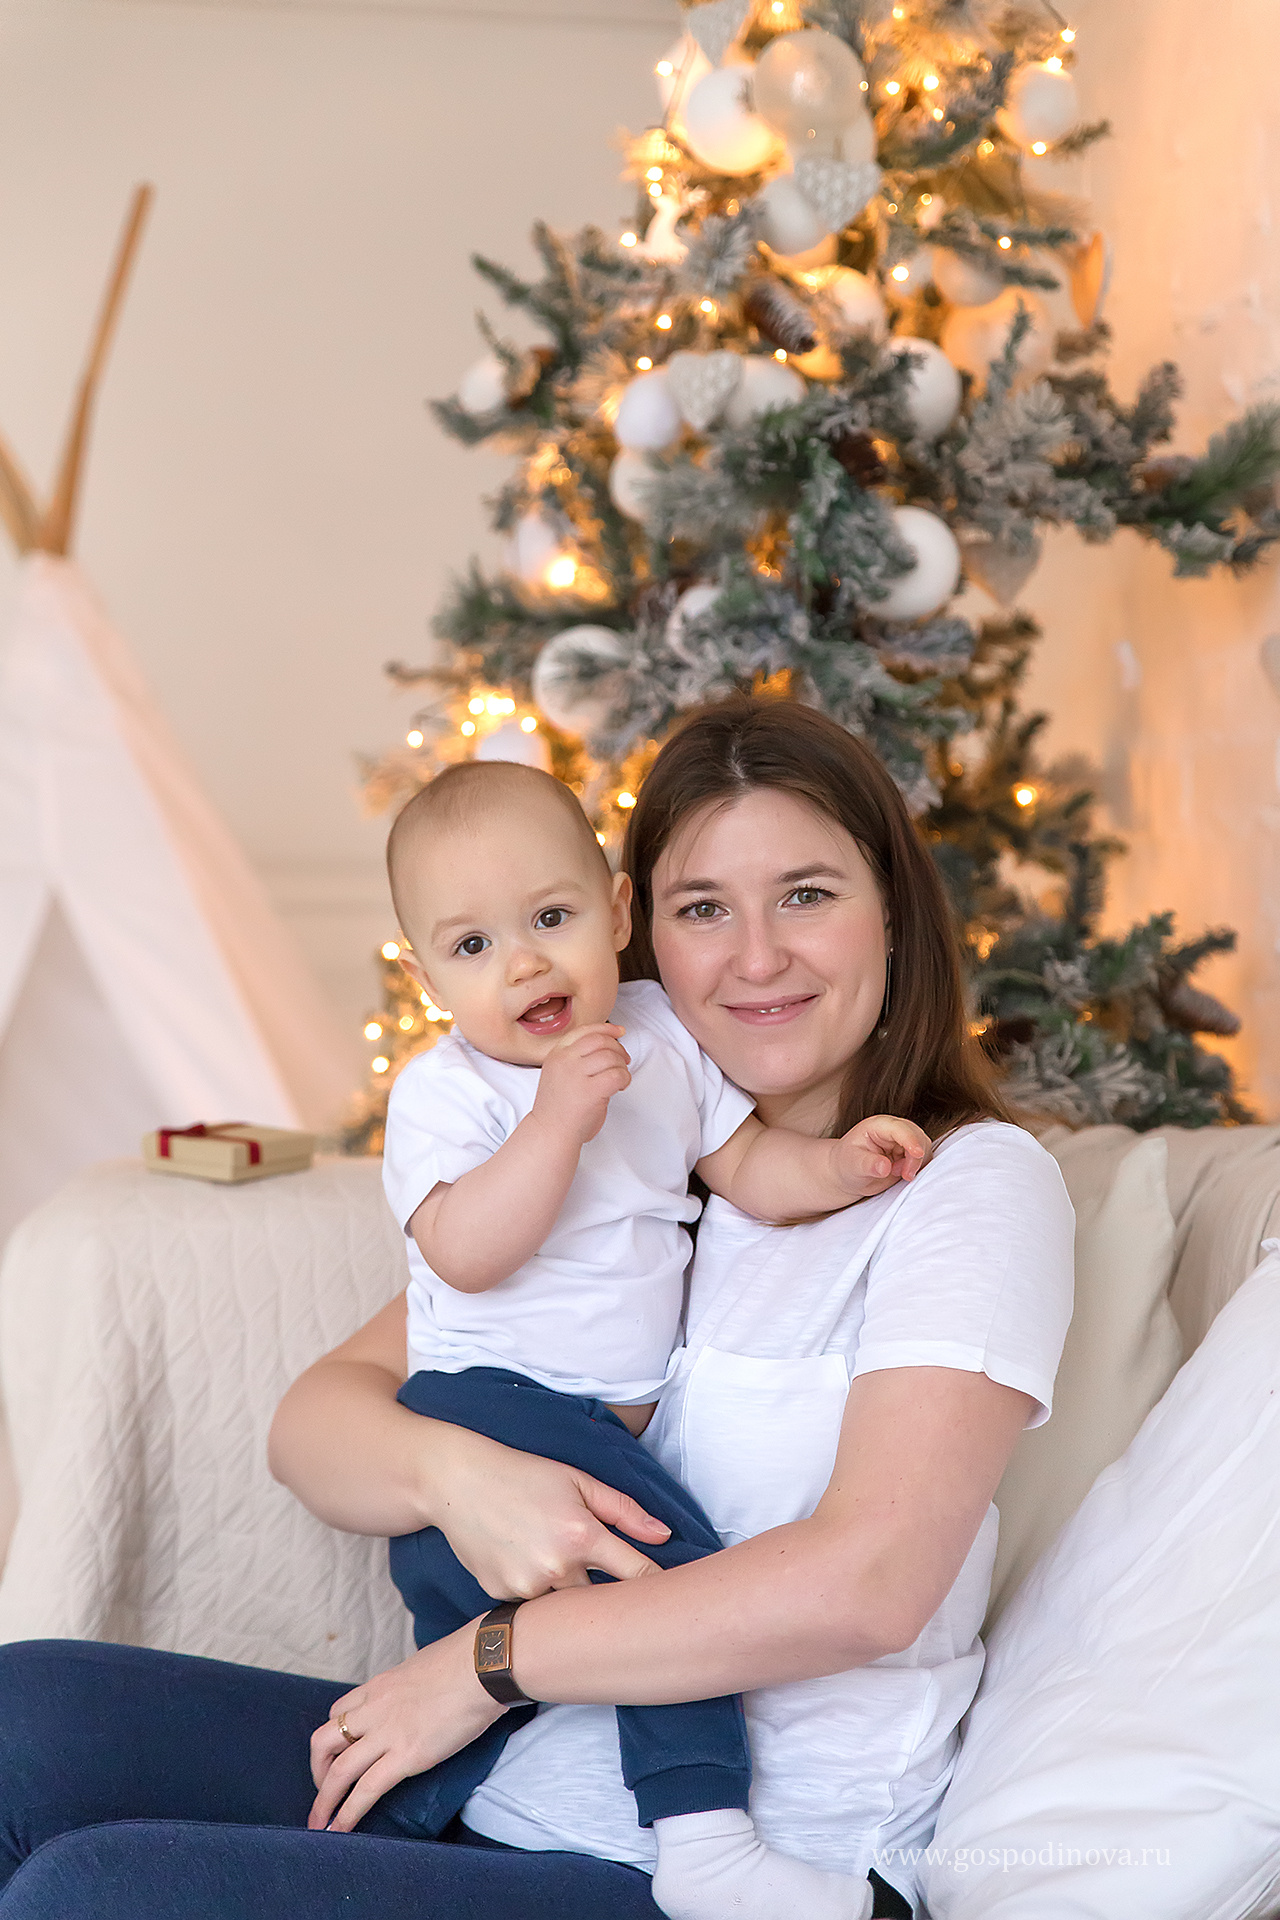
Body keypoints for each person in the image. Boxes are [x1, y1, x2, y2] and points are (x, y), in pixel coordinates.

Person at [0, 697, 1074, 1920]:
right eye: (702, 908)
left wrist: (483, 1662)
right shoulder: (621, 1157)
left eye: (807, 894)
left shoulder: (967, 1185)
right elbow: (316, 1427)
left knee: (92, 1896)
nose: (755, 957)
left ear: (892, 909)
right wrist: (467, 1484)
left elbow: (869, 1583)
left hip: (722, 1860)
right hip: (493, 1775)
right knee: (17, 1721)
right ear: (641, 932)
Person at [375, 757, 928, 1920]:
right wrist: (558, 1121)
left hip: (585, 1426)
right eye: (470, 948)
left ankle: (407, 1819)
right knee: (669, 1584)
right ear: (426, 978)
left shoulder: (662, 1036)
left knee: (544, 1657)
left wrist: (841, 1166)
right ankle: (705, 1847)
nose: (521, 963)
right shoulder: (453, 1091)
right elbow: (466, 1250)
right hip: (493, 1409)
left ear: (616, 914)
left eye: (551, 918)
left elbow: (742, 1168)